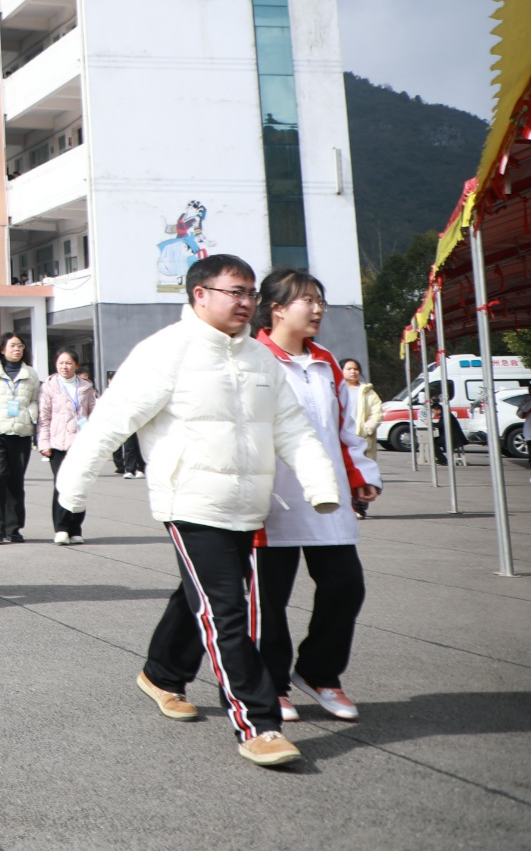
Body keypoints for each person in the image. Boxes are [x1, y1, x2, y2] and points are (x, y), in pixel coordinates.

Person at [54, 254, 341, 768]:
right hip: (189, 501)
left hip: (249, 504)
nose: (246, 302)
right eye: (234, 291)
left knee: (202, 596)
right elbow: (108, 424)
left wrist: (322, 485)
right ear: (199, 295)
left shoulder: (260, 358)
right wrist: (70, 494)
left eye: (251, 292)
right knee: (229, 610)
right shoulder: (165, 352)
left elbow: (292, 429)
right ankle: (258, 723)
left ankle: (162, 673)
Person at [251, 268, 382, 725]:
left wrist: (360, 475)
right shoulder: (253, 359)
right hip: (273, 501)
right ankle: (271, 685)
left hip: (327, 499)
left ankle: (319, 672)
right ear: (277, 308)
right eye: (306, 300)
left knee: (345, 585)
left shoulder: (326, 362)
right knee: (270, 600)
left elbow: (344, 432)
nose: (317, 308)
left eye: (319, 300)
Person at [0, 332, 41, 544]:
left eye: (21, 346)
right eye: (13, 345)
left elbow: (34, 400)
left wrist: (31, 414)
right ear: (2, 348)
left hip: (20, 432)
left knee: (15, 481)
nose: (17, 349)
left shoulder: (31, 374)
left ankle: (13, 528)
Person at [35, 349, 94, 545]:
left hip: (81, 443)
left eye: (69, 363)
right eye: (61, 362)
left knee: (79, 485)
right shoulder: (49, 387)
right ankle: (61, 528)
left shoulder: (86, 387)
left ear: (76, 365)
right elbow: (44, 417)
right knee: (61, 485)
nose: (64, 366)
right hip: (58, 444)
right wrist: (43, 443)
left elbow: (93, 415)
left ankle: (76, 528)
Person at [341, 358, 384, 514]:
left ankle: (360, 506)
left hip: (361, 439)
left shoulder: (367, 391)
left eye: (356, 369)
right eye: (349, 369)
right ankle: (349, 507)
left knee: (363, 473)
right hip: (342, 438)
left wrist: (367, 428)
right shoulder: (336, 390)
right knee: (344, 473)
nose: (353, 372)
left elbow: (377, 412)